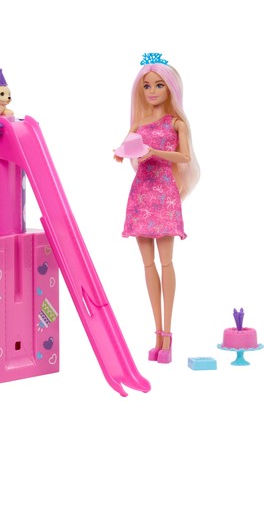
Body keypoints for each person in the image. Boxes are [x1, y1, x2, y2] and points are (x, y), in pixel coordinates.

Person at [114, 53, 200, 363]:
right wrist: (121, 153)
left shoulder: (177, 123)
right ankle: (156, 334)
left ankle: (168, 336)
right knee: (147, 265)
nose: (152, 91)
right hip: (141, 194)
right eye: (147, 85)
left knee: (166, 263)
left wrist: (156, 152)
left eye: (159, 85)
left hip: (164, 194)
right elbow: (128, 147)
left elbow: (185, 157)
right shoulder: (138, 121)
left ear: (171, 88)